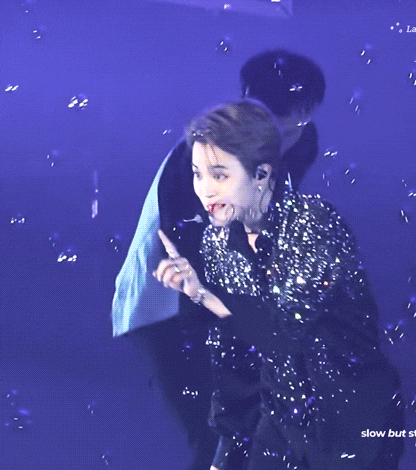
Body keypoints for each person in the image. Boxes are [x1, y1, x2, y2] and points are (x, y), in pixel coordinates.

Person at [154, 99, 405, 470]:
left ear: (261, 174)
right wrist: (224, 456)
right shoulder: (217, 241)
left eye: (219, 176)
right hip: (281, 420)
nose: (204, 190)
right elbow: (233, 359)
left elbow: (284, 330)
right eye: (197, 174)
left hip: (351, 422)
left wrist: (204, 294)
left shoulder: (313, 223)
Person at [111, 50, 326, 470]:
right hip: (166, 306)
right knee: (217, 435)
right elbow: (187, 246)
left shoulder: (300, 145)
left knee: (249, 433)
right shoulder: (201, 154)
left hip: (223, 305)